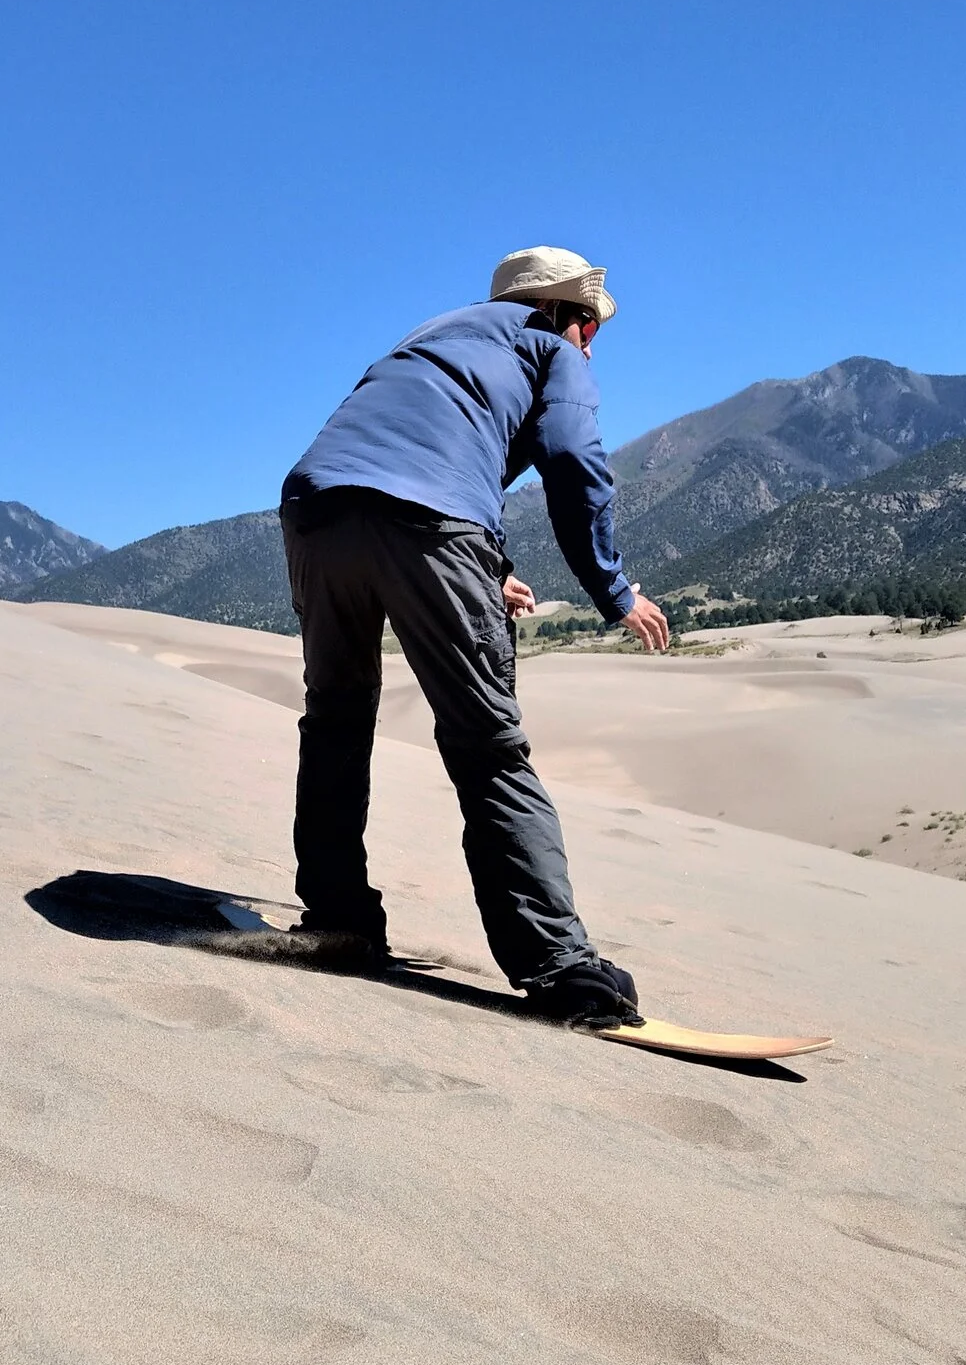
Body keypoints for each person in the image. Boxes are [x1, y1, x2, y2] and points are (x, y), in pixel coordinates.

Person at [277, 246, 672, 1027]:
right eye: (589, 323)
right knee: (488, 747)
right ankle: (559, 966)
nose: (591, 342)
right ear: (561, 313)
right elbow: (571, 458)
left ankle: (337, 921)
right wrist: (614, 589)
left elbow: (411, 457)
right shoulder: (549, 346)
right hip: (425, 524)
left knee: (336, 721)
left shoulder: (432, 335)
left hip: (314, 509)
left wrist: (488, 572)